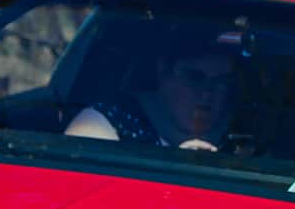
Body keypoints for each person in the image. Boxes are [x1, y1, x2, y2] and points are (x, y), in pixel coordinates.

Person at [64, 30, 236, 152]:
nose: (207, 93)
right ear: (163, 73)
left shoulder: (244, 137)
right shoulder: (104, 126)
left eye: (221, 82)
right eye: (194, 77)